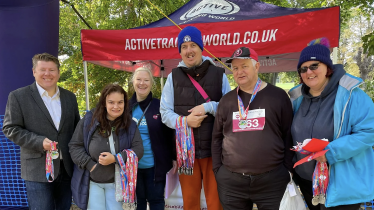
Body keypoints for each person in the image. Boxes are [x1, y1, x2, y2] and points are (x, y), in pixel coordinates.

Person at [289, 37, 374, 210]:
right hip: (307, 183)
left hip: (341, 184)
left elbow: (368, 132)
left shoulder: (351, 94)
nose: (309, 72)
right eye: (303, 68)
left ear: (327, 68)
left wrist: (330, 153)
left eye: (314, 66)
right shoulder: (297, 99)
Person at [211, 47, 294, 210]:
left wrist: (287, 170)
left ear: (256, 67)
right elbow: (216, 138)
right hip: (232, 183)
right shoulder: (226, 101)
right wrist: (218, 171)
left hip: (271, 182)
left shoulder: (278, 96)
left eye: (244, 66)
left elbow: (288, 134)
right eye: (235, 68)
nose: (239, 71)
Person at [160, 26, 230, 210]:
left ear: (201, 47)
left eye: (193, 45)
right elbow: (165, 113)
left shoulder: (219, 74)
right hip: (186, 153)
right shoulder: (172, 77)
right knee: (190, 203)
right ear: (180, 51)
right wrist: (184, 122)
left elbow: (229, 108)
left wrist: (209, 107)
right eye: (184, 46)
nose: (189, 50)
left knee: (216, 203)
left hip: (214, 151)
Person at [2, 53, 80, 210]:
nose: (47, 74)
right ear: (34, 72)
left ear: (58, 72)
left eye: (52, 70)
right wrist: (38, 142)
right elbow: (10, 128)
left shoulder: (70, 97)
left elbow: (77, 129)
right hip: (37, 169)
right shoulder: (18, 96)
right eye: (43, 69)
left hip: (66, 168)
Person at [69, 84, 144, 210]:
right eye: (111, 102)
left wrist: (115, 159)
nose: (116, 106)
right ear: (104, 102)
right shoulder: (89, 120)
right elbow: (74, 146)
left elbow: (139, 150)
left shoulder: (130, 124)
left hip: (117, 182)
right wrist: (90, 165)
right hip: (93, 182)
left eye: (120, 102)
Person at [129, 67, 175, 210]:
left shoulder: (160, 106)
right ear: (133, 82)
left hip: (155, 167)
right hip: (133, 167)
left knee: (156, 202)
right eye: (138, 79)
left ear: (152, 83)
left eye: (146, 80)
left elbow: (170, 134)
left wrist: (174, 158)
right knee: (138, 204)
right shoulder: (125, 107)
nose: (142, 83)